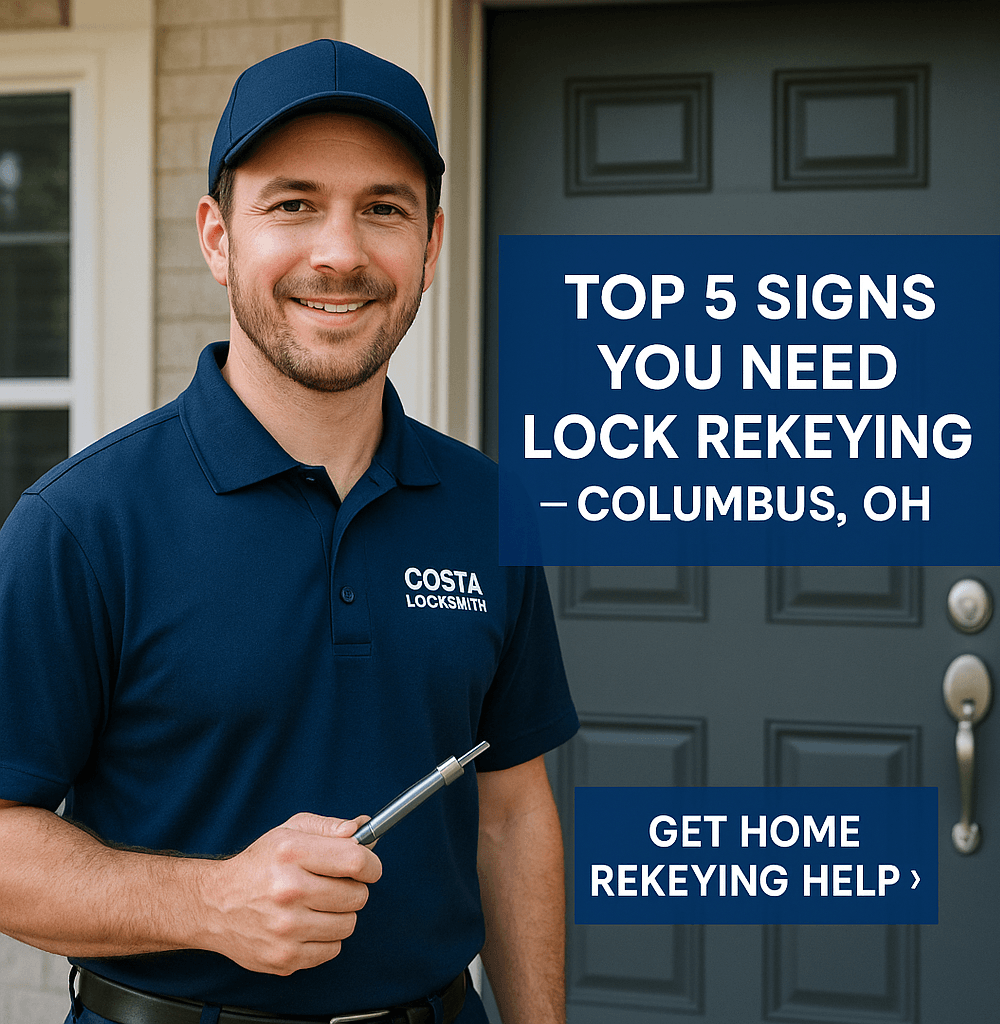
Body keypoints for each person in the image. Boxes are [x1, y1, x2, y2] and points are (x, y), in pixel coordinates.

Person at [0, 39, 578, 1024]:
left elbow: (511, 812)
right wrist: (208, 900)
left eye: (383, 208)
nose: (340, 253)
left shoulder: (486, 509)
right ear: (218, 237)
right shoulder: (81, 524)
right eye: (293, 203)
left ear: (431, 245)